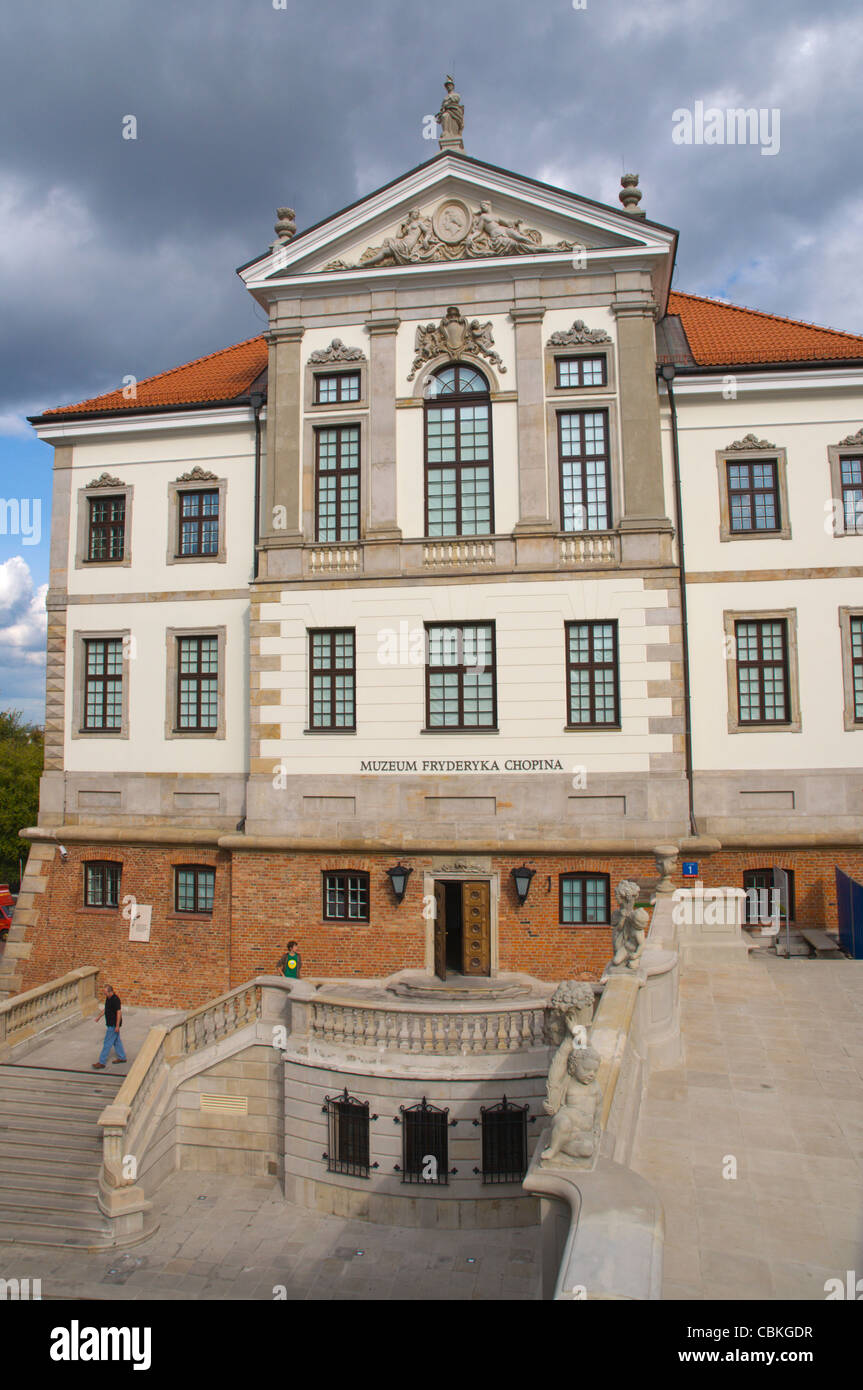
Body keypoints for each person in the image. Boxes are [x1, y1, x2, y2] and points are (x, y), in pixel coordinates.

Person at [92, 983, 127, 1068]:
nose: (104, 994)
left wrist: (117, 1026)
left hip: (113, 1025)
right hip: (110, 1023)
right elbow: (106, 1009)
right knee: (116, 1041)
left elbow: (119, 1013)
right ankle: (122, 1057)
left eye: (105, 992)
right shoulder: (108, 998)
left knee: (107, 1043)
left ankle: (102, 1062)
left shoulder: (115, 1000)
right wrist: (99, 1017)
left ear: (110, 991)